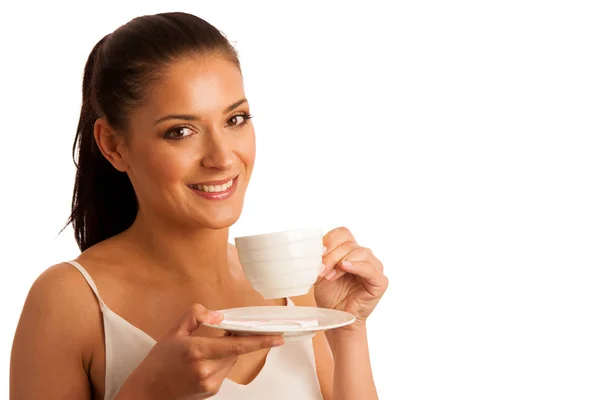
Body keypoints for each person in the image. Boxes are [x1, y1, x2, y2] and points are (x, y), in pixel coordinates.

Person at [9, 11, 388, 400]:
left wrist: (349, 329)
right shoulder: (70, 301)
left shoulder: (298, 294)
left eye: (235, 119)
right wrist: (149, 391)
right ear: (113, 145)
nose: (222, 157)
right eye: (181, 131)